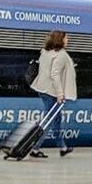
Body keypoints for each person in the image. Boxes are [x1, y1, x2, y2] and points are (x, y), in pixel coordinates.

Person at [30, 29, 76, 157]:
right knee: (49, 120)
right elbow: (55, 74)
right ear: (60, 40)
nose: (68, 40)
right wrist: (60, 93)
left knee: (56, 119)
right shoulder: (60, 54)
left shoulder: (45, 52)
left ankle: (62, 147)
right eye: (66, 38)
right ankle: (35, 148)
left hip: (42, 89)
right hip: (52, 92)